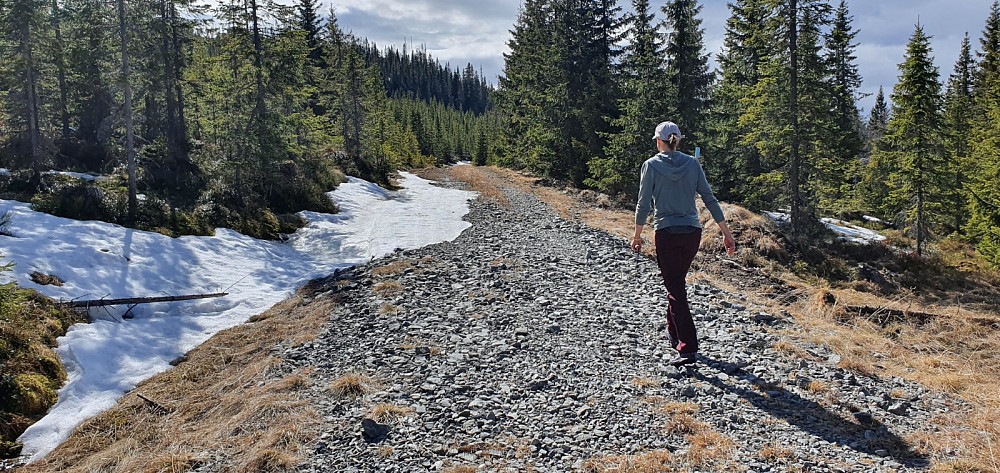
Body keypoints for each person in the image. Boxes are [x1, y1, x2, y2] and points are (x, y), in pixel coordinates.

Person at [631, 121, 736, 367]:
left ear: (659, 141)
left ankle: (687, 347)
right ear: (677, 140)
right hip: (692, 232)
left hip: (667, 232)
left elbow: (643, 204)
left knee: (675, 288)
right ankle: (673, 331)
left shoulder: (650, 166)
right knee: (676, 282)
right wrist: (726, 233)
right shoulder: (692, 164)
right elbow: (709, 199)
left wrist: (637, 235)